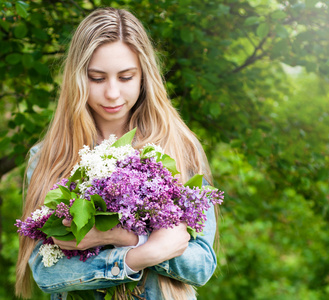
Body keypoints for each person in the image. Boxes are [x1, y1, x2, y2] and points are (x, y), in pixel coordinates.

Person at [16, 7, 219, 300]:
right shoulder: (49, 156)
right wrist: (134, 257)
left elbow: (200, 265)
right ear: (77, 79)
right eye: (97, 78)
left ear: (143, 77)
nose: (112, 93)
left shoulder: (180, 147)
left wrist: (122, 237)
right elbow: (46, 273)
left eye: (125, 77)